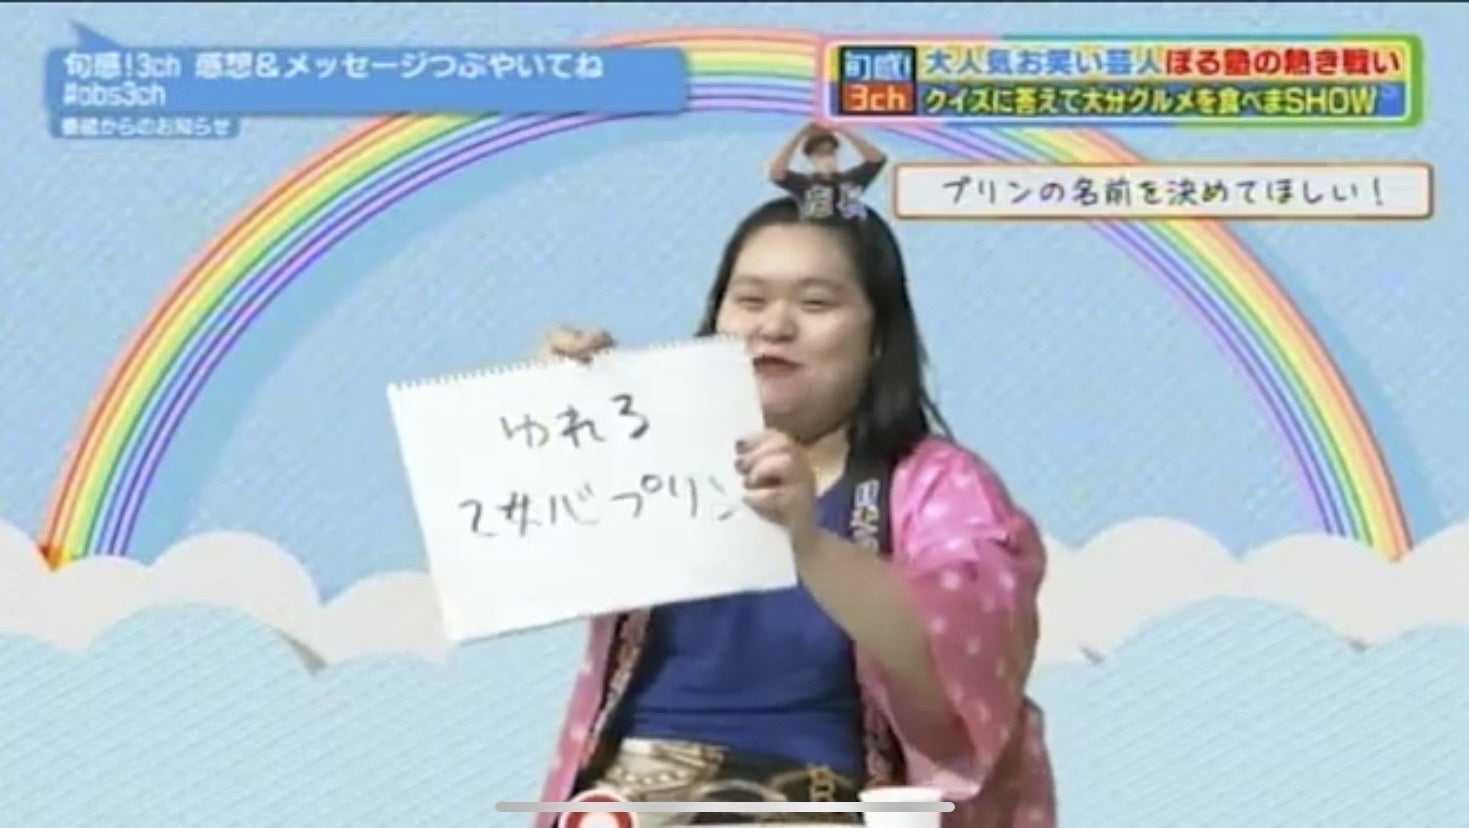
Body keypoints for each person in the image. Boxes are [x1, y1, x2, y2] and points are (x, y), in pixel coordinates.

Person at [536, 196, 1055, 827]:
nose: (774, 326)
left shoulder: (938, 485)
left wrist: (810, 541)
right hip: (620, 802)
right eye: (750, 300)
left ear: (878, 338)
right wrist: (568, 414)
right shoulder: (660, 454)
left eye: (815, 304)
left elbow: (961, 664)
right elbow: (527, 562)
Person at [769, 121, 887, 223]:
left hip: (849, 237)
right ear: (811, 158)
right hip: (817, 237)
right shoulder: (804, 183)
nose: (827, 156)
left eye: (830, 151)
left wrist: (843, 130)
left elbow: (877, 160)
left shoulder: (851, 179)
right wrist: (799, 135)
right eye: (820, 153)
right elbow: (776, 173)